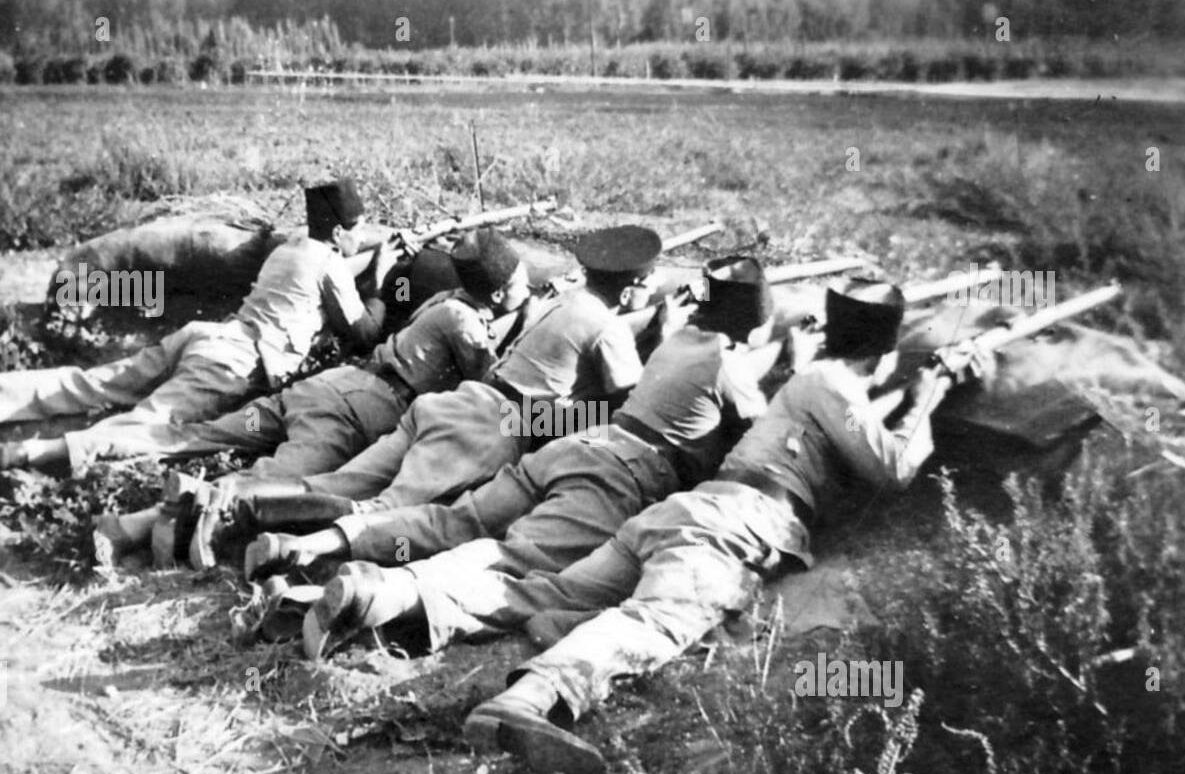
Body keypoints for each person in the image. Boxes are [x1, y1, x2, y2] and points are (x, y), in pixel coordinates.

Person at [313, 280, 988, 774]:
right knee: (651, 624)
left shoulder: (799, 382)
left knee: (540, 588)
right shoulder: (832, 382)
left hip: (676, 512)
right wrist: (934, 390)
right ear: (886, 349)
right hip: (729, 529)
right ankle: (536, 697)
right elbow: (893, 466)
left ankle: (392, 593)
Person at [247, 256, 795, 648]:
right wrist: (787, 361)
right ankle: (381, 591)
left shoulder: (673, 338)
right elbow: (754, 433)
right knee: (517, 567)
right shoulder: (729, 364)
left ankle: (311, 551)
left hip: (565, 445)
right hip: (615, 469)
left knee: (450, 520)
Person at [184, 225, 656, 571]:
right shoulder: (608, 327)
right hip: (490, 423)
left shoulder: (563, 302)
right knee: (387, 513)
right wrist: (662, 331)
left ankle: (218, 497)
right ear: (634, 288)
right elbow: (625, 408)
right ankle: (288, 544)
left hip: (448, 406)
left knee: (340, 484)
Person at [91, 231, 524, 562]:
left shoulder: (444, 301)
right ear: (501, 294)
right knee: (278, 484)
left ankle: (83, 446)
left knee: (198, 435)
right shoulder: (465, 322)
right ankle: (133, 526)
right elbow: (489, 382)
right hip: (352, 412)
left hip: (325, 386)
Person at [0, 180, 395, 471]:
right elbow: (364, 333)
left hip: (207, 337)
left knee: (95, 382)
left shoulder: (289, 248)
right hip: (235, 362)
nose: (360, 237)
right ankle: (36, 454)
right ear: (337, 232)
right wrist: (376, 281)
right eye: (356, 229)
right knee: (152, 426)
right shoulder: (331, 264)